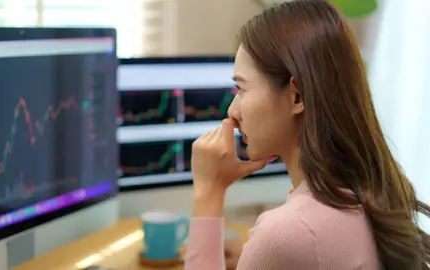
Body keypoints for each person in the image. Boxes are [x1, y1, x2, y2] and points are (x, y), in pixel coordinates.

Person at [184, 0, 430, 269]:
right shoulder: (370, 193)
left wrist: (209, 191)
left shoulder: (285, 233)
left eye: (242, 89)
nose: (232, 111)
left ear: (297, 97)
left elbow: (300, 239)